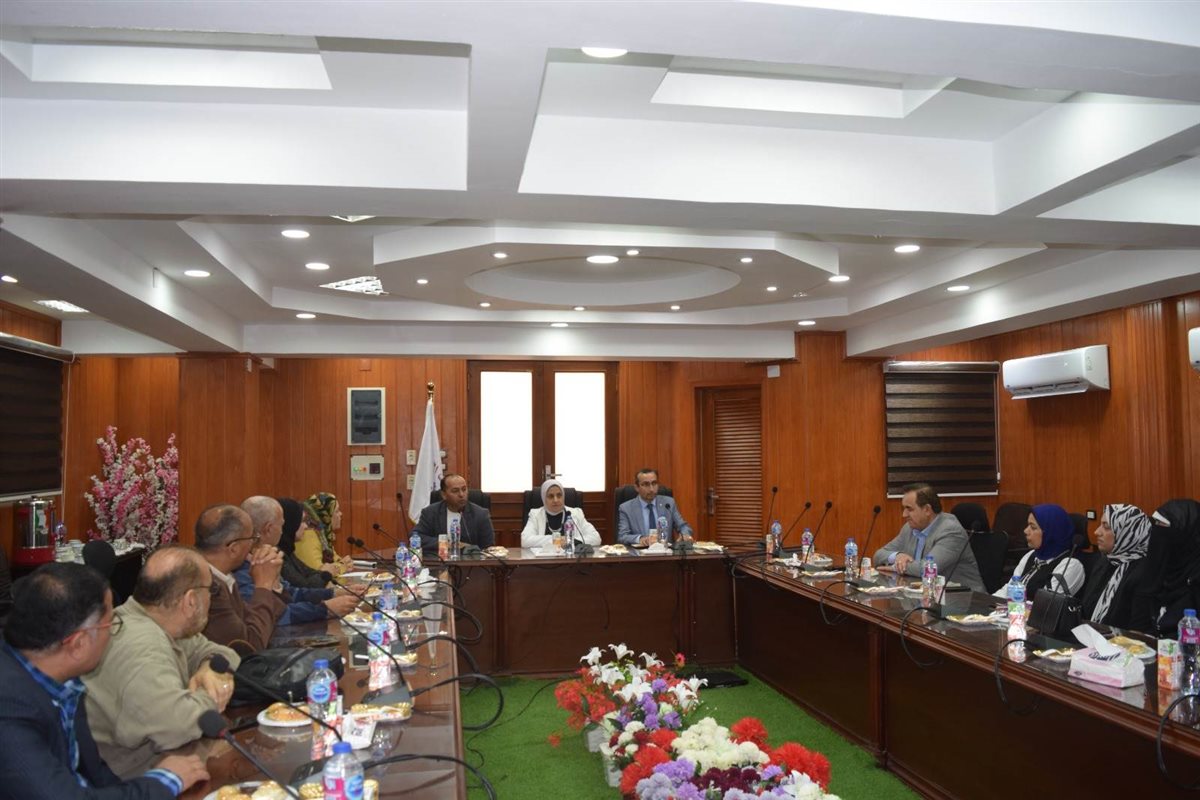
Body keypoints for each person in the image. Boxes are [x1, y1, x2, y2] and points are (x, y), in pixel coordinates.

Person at [0, 562, 209, 799]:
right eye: (111, 625)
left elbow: (94, 776)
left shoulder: (60, 680)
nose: (112, 635)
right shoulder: (8, 709)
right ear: (78, 644)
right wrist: (164, 780)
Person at [83, 547, 239, 779]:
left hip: (161, 763)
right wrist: (213, 692)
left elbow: (224, 654)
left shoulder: (158, 622)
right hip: (129, 780)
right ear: (190, 601)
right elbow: (176, 726)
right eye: (211, 590)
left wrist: (210, 670)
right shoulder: (143, 645)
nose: (211, 599)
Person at [238, 496, 359, 625]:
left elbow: (291, 593)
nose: (282, 531)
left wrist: (333, 593)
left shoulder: (267, 555)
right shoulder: (242, 567)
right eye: (281, 525)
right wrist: (324, 609)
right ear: (269, 528)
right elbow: (275, 614)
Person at [194, 504, 286, 654]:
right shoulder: (206, 586)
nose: (254, 545)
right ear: (234, 548)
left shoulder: (224, 576)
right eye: (252, 539)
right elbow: (250, 646)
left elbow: (263, 618)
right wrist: (263, 585)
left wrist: (272, 580)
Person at [872, 483, 984, 592]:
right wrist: (897, 556)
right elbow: (878, 556)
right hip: (927, 595)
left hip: (965, 598)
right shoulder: (910, 528)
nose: (904, 514)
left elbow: (926, 569)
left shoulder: (951, 531)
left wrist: (896, 567)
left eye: (909, 509)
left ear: (927, 510)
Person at [1130, 498, 1200, 636]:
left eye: (1164, 526)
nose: (1158, 532)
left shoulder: (1195, 579)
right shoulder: (1156, 567)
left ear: (1187, 532)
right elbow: (1137, 627)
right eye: (1156, 524)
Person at [1079, 504, 1151, 627]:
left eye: (1106, 527)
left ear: (1127, 532)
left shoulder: (1144, 573)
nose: (1097, 532)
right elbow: (1085, 610)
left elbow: (1137, 630)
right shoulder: (1104, 562)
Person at [991, 503, 1084, 598]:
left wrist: (1012, 604)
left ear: (1050, 532)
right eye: (1028, 525)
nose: (1025, 531)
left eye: (1033, 527)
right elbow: (1010, 589)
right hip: (1016, 607)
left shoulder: (1070, 565)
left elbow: (1046, 603)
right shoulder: (1031, 555)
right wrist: (988, 601)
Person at [413, 473, 496, 556]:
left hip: (469, 562)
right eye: (455, 491)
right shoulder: (430, 512)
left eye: (464, 489)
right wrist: (445, 543)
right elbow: (416, 537)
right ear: (444, 495)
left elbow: (488, 547)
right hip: (439, 561)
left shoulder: (480, 514)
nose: (461, 494)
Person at [616, 468, 693, 547]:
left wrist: (685, 535)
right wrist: (640, 539)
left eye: (654, 483)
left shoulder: (668, 503)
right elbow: (622, 536)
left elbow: (683, 526)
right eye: (646, 484)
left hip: (665, 552)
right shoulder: (626, 508)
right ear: (637, 487)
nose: (651, 489)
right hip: (640, 553)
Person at [521, 478, 602, 550]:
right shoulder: (535, 514)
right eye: (551, 496)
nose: (556, 500)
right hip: (544, 560)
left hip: (571, 560)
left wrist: (570, 541)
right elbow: (525, 540)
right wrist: (558, 540)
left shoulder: (576, 513)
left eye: (559, 495)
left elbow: (596, 538)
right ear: (543, 498)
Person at [278, 497, 334, 588]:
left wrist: (323, 574)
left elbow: (309, 572)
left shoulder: (288, 549)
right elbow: (304, 586)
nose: (306, 526)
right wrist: (324, 573)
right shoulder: (277, 554)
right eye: (302, 521)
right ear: (290, 523)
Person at [299, 492, 354, 575]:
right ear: (326, 516)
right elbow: (318, 572)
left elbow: (336, 560)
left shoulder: (323, 535)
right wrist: (342, 566)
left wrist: (343, 563)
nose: (341, 514)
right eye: (337, 511)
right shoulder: (308, 534)